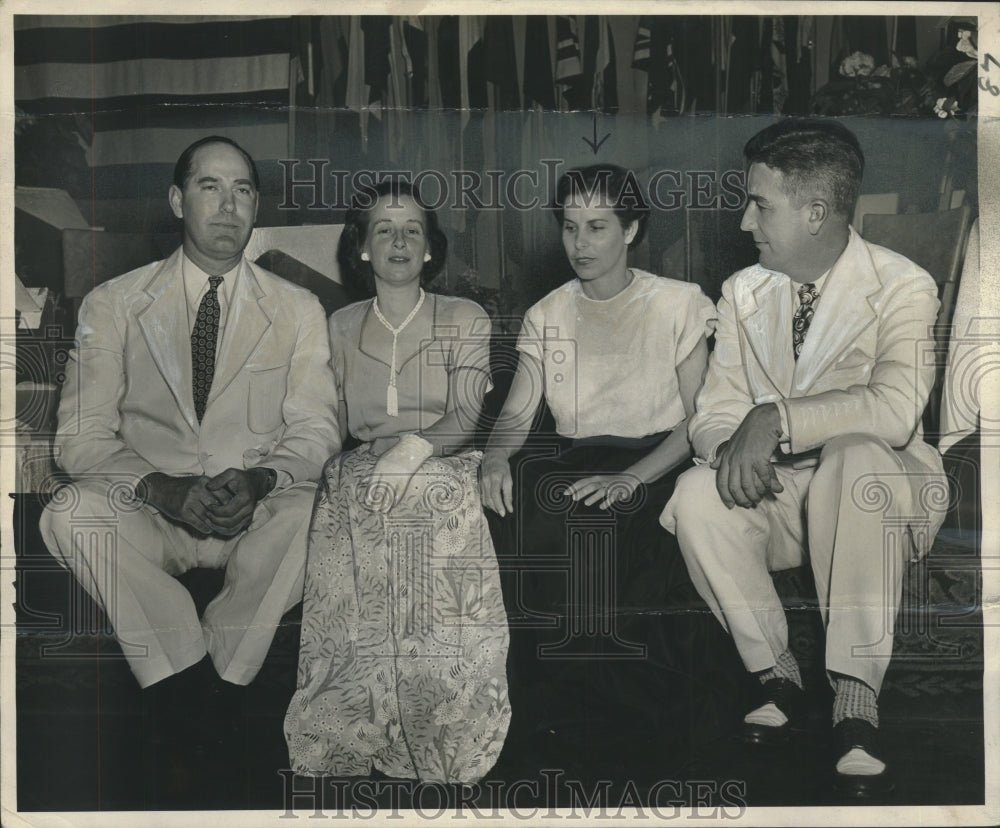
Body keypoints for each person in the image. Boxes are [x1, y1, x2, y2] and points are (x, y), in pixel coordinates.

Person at [660, 119, 947, 798]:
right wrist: (735, 449)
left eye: (760, 204)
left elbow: (896, 408)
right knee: (697, 494)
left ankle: (855, 690)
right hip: (784, 496)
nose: (743, 220)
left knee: (853, 456)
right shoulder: (742, 291)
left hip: (878, 492)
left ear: (815, 212)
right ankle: (776, 668)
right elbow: (716, 410)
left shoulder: (905, 286)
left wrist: (777, 419)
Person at [38, 135, 340, 751]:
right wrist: (159, 487)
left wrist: (263, 480)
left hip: (251, 514)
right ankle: (188, 674)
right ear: (178, 200)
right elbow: (78, 437)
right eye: (211, 187)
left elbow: (316, 429)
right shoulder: (113, 303)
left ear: (257, 206)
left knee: (317, 512)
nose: (229, 207)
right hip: (155, 513)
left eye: (244, 190)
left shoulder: (298, 308)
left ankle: (221, 672)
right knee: (69, 513)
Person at [479, 164, 732, 755]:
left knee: (599, 528)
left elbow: (701, 419)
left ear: (632, 229)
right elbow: (518, 413)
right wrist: (492, 458)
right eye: (570, 228)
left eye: (597, 227)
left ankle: (621, 708)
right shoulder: (548, 313)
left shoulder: (677, 304)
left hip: (660, 461)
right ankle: (554, 704)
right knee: (525, 501)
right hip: (576, 461)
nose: (581, 244)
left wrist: (630, 479)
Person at [284, 180, 510, 785]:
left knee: (419, 503)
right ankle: (356, 730)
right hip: (359, 472)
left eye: (412, 229)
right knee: (348, 498)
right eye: (383, 229)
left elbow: (468, 415)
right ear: (361, 248)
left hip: (442, 467)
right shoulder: (338, 323)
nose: (399, 240)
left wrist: (408, 453)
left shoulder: (465, 316)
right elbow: (326, 419)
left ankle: (439, 731)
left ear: (432, 248)